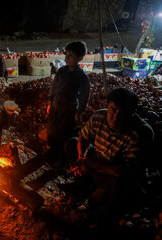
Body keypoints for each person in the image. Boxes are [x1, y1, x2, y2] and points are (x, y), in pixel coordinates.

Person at [68, 88, 154, 224]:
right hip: (97, 161)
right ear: (107, 106)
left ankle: (100, 214)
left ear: (131, 113)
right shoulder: (99, 117)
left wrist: (91, 164)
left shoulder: (139, 134)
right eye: (113, 110)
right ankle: (82, 183)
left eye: (122, 113)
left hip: (115, 173)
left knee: (122, 185)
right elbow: (83, 137)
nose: (115, 117)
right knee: (72, 143)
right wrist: (81, 158)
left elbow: (126, 171)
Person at [47, 41, 90, 166]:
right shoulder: (61, 71)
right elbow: (54, 88)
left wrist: (79, 111)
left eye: (70, 55)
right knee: (51, 130)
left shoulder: (81, 76)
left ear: (80, 58)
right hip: (55, 107)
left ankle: (61, 158)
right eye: (66, 54)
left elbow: (84, 95)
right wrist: (50, 102)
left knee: (63, 134)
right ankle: (52, 151)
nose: (66, 58)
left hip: (68, 110)